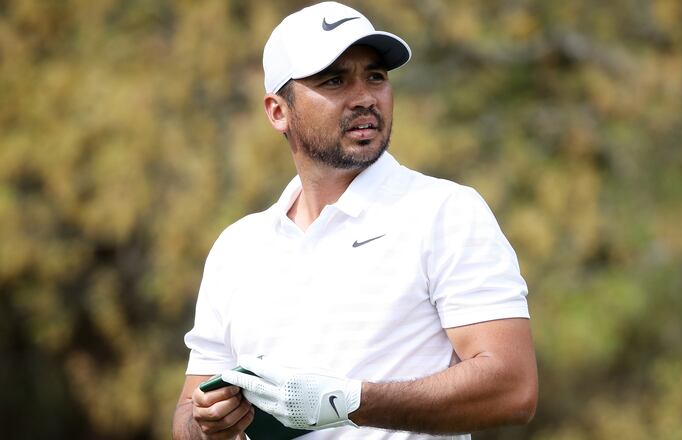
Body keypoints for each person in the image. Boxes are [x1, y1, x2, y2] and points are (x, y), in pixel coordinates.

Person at [172, 2, 537, 439]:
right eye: (335, 80)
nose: (365, 96)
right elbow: (187, 416)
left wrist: (350, 402)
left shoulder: (445, 212)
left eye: (376, 76)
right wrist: (207, 423)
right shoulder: (238, 248)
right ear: (277, 111)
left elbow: (513, 388)